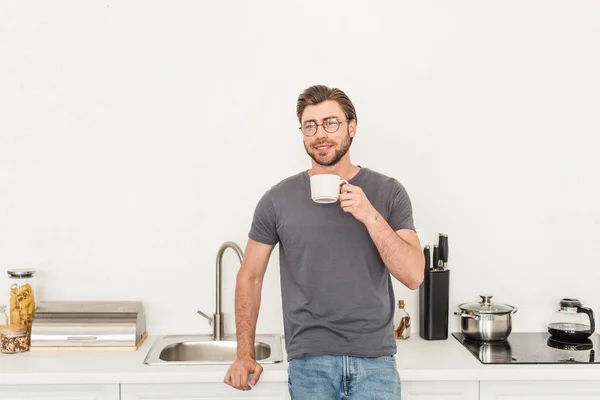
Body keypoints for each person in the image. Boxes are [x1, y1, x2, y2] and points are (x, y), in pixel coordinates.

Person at [224, 85, 425, 399]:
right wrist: (244, 353)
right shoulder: (277, 200)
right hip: (309, 364)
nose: (321, 133)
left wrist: (370, 216)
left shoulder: (388, 192)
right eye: (310, 125)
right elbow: (250, 275)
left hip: (375, 362)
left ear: (351, 127)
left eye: (331, 122)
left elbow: (414, 276)